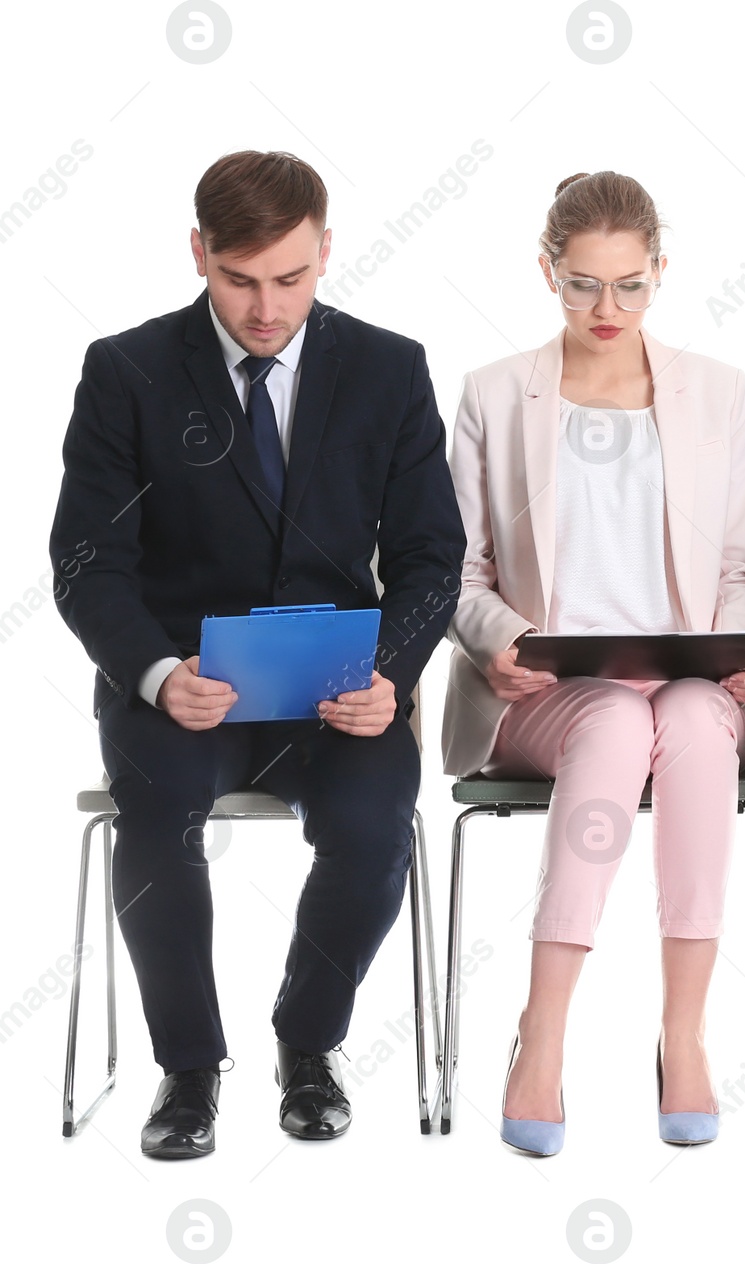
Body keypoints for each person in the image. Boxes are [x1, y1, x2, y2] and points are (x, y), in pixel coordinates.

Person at [49, 151, 466, 1158]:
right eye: (239, 280)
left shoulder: (386, 366)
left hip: (338, 694)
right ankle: (189, 1071)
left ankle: (308, 1045)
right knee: (156, 822)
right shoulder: (129, 369)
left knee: (375, 827)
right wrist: (155, 673)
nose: (266, 306)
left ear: (325, 251)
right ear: (199, 254)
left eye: (290, 277)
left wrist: (392, 676)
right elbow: (86, 559)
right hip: (180, 687)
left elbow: (429, 555)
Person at [441, 171, 745, 1155]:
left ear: (660, 274)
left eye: (629, 285)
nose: (607, 309)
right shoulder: (494, 394)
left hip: (692, 686)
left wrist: (740, 649)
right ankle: (541, 1031)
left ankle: (684, 1031)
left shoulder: (716, 391)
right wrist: (497, 636)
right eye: (583, 284)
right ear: (546, 272)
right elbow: (457, 570)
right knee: (614, 720)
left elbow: (739, 564)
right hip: (547, 692)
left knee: (672, 719)